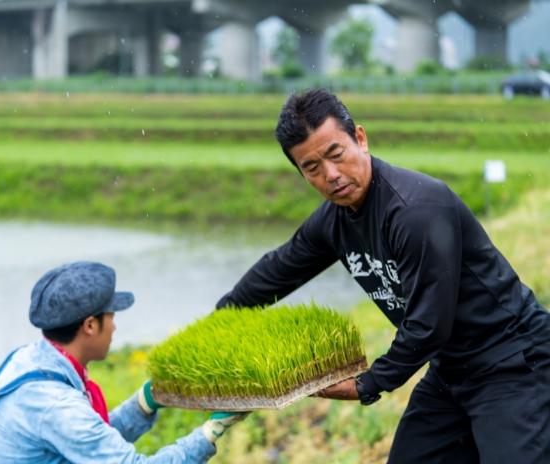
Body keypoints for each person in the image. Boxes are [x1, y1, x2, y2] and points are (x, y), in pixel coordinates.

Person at [216, 89, 550, 462]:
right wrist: (219, 322)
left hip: (513, 360)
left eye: (336, 154)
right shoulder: (334, 220)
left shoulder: (415, 212)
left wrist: (367, 383)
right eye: (312, 167)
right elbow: (276, 270)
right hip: (450, 368)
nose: (331, 175)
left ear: (360, 138)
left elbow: (428, 325)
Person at [0, 261, 248, 463]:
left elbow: (91, 439)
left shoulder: (29, 359)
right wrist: (211, 431)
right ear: (90, 325)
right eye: (111, 318)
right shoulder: (55, 405)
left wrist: (145, 402)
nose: (115, 328)